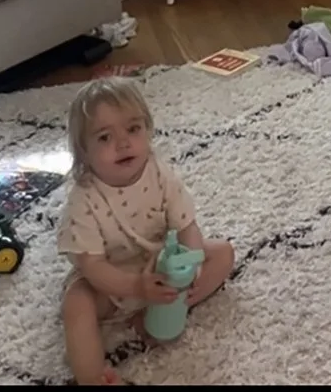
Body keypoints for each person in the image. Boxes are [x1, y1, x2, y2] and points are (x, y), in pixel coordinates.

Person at [57, 77, 234, 384]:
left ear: (148, 130)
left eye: (133, 129)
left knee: (223, 254)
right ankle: (93, 377)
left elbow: (186, 224)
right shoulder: (84, 198)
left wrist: (191, 266)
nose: (123, 143)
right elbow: (92, 265)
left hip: (162, 265)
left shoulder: (160, 174)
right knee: (76, 304)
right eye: (104, 138)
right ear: (83, 154)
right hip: (111, 282)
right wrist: (136, 286)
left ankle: (161, 313)